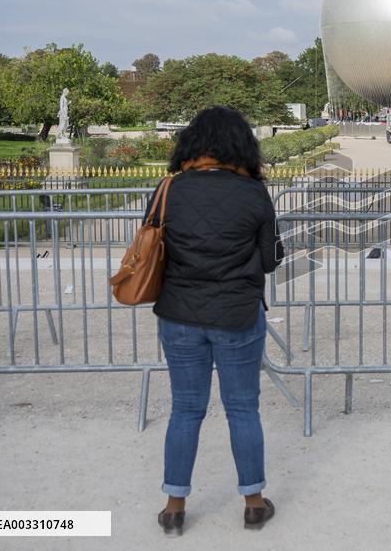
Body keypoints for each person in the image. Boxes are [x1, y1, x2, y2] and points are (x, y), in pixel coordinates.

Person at [151, 107, 283, 534]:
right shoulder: (254, 193)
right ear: (241, 146)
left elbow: (154, 252)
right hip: (237, 316)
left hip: (179, 313)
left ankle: (174, 508)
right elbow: (269, 260)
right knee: (243, 409)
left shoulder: (167, 189)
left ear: (190, 145)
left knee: (185, 410)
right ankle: (254, 503)